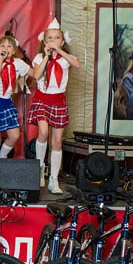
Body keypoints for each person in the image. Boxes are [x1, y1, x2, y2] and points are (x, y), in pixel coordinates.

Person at [27, 19, 81, 194]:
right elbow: (36, 75)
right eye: (49, 38)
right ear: (44, 41)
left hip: (58, 101)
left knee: (57, 141)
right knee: (43, 132)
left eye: (57, 38)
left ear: (62, 41)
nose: (53, 40)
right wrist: (46, 56)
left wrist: (60, 52)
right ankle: (39, 169)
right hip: (42, 99)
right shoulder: (39, 57)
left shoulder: (66, 59)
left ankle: (54, 178)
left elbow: (77, 64)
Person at [0, 35, 33, 158]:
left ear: (14, 51)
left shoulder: (18, 63)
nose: (5, 48)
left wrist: (45, 61)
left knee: (14, 135)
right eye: (2, 45)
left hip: (7, 102)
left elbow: (35, 73)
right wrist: (1, 60)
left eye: (9, 46)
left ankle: (2, 158)